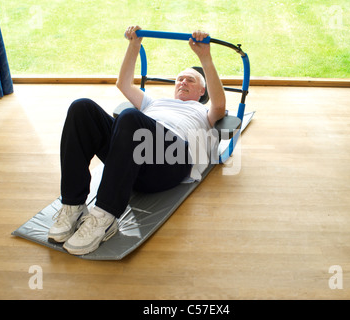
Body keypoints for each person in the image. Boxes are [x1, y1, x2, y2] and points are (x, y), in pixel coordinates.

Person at [47, 26, 226, 255]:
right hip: (130, 160)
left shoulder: (202, 112)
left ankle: (105, 216)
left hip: (170, 163)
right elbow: (123, 84)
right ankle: (73, 204)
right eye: (179, 79)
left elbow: (220, 106)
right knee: (81, 107)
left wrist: (205, 57)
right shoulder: (154, 103)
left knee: (130, 116)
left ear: (202, 91)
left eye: (190, 81)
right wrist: (134, 45)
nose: (182, 83)